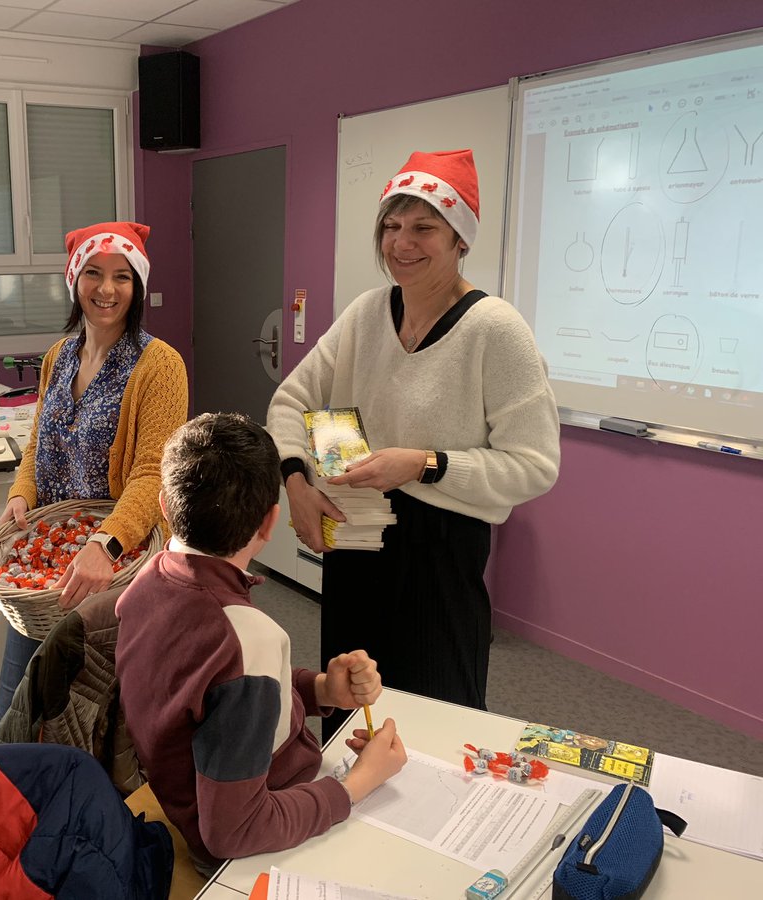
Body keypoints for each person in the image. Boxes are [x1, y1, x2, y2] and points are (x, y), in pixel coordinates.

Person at [266, 149, 561, 738]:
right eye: (391, 227)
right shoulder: (366, 313)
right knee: (351, 711)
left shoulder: (495, 330)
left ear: (461, 240)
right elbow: (290, 401)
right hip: (355, 541)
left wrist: (425, 465)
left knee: (434, 721)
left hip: (439, 558)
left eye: (424, 227)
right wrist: (296, 485)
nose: (402, 243)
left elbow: (534, 466)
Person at [115, 412, 407, 873]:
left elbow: (212, 694)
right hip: (249, 848)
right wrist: (357, 783)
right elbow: (233, 832)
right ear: (271, 522)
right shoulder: (250, 640)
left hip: (194, 796)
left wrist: (319, 691)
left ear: (165, 508)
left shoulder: (146, 584)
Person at [0, 221, 188, 737]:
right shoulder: (60, 356)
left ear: (138, 285)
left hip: (115, 565)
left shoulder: (158, 365)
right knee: (17, 699)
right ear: (74, 280)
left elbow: (153, 474)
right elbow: (38, 442)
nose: (107, 289)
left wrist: (105, 543)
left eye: (122, 277)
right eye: (94, 274)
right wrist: (21, 494)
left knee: (89, 714)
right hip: (54, 553)